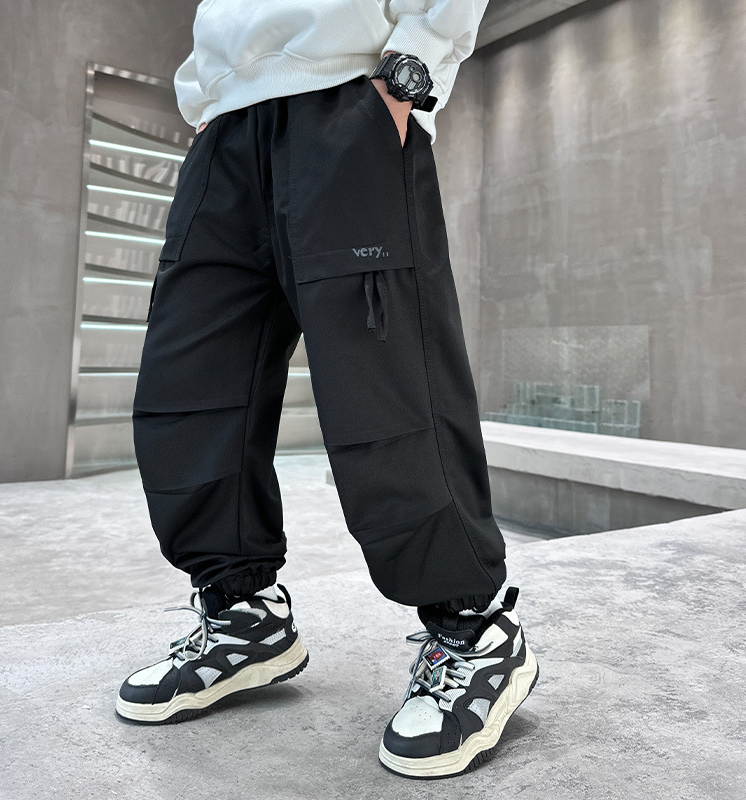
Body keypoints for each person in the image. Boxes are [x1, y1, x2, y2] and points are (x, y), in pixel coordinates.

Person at [115, 0, 539, 779]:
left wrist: (414, 63)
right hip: (227, 127)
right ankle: (241, 613)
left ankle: (473, 630)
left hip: (349, 99)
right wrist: (209, 101)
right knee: (189, 390)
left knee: (386, 389)